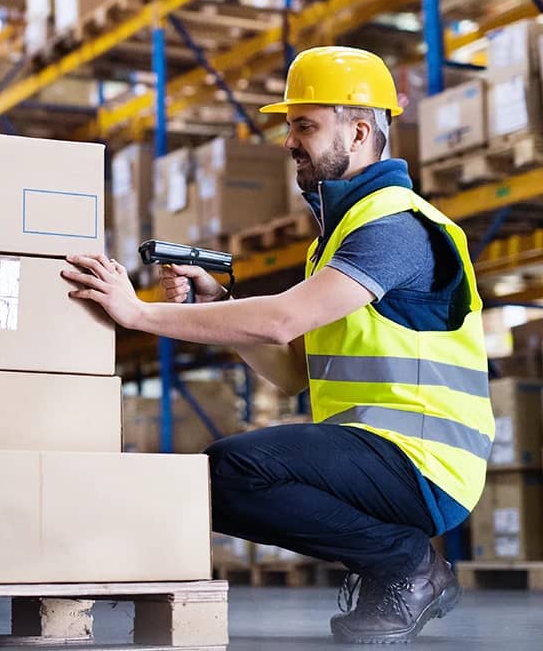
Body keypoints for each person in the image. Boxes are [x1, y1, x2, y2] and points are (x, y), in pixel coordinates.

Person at [61, 46, 494, 644]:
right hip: (379, 454)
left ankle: (406, 565)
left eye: (305, 126)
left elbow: (279, 320)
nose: (290, 141)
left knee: (232, 470)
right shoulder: (338, 240)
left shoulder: (395, 228)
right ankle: (399, 563)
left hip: (423, 462)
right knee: (224, 477)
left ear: (360, 129)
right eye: (290, 127)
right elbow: (291, 373)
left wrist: (138, 314)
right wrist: (213, 305)